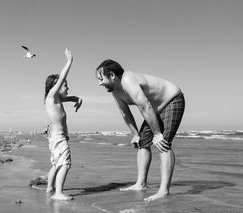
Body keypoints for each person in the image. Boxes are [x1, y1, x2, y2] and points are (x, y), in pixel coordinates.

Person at [95, 59, 185, 202]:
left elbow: (145, 106)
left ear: (112, 75)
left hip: (172, 99)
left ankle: (164, 190)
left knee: (163, 142)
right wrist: (136, 134)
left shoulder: (128, 80)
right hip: (156, 108)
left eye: (101, 79)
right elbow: (125, 113)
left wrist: (157, 134)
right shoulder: (115, 91)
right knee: (142, 142)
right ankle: (140, 184)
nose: (100, 83)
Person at [44, 48, 82, 201]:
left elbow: (71, 98)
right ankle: (58, 193)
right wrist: (69, 61)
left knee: (56, 164)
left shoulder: (57, 99)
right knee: (65, 163)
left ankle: (50, 188)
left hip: (57, 137)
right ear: (57, 87)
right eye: (65, 85)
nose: (67, 87)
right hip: (58, 137)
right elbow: (60, 80)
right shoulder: (52, 97)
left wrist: (78, 99)